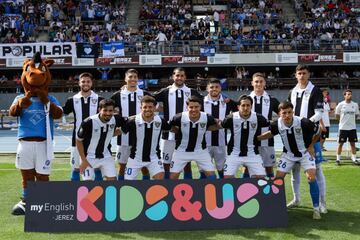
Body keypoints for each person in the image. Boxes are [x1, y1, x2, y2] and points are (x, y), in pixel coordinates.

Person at [258, 101, 322, 219]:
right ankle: (277, 207)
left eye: (289, 112)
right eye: (284, 113)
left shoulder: (303, 122)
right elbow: (271, 133)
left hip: (304, 153)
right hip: (288, 155)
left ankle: (316, 209)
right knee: (278, 179)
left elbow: (319, 130)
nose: (287, 115)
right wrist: (257, 138)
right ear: (279, 114)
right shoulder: (276, 124)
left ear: (293, 112)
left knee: (311, 177)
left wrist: (311, 146)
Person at [287, 64, 327, 214]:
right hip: (294, 137)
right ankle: (296, 199)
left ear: (308, 74)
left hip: (311, 137)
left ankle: (322, 203)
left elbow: (319, 113)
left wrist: (305, 123)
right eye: (299, 73)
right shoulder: (292, 91)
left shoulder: (315, 90)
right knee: (294, 170)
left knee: (317, 170)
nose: (302, 76)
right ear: (295, 75)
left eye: (304, 73)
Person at [154, 68, 203, 179]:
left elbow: (206, 101)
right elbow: (148, 98)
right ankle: (167, 185)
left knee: (186, 162)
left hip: (186, 133)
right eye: (177, 75)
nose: (179, 78)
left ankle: (187, 185)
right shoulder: (166, 91)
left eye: (182, 76)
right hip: (168, 133)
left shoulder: (192, 92)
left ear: (185, 77)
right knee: (166, 161)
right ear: (173, 77)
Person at [110, 69, 152, 180]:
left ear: (137, 79)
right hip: (123, 135)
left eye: (135, 77)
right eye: (130, 77)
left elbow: (153, 109)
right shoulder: (117, 95)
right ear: (125, 79)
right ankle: (121, 186)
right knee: (122, 165)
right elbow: (109, 110)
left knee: (143, 165)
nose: (132, 79)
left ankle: (146, 186)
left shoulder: (145, 94)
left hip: (141, 134)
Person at [62, 72, 104, 181]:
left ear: (91, 83)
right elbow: (62, 112)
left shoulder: (100, 100)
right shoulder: (72, 100)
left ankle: (100, 194)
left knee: (97, 168)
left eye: (88, 81)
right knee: (75, 168)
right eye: (83, 81)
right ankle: (74, 194)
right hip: (77, 139)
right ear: (79, 83)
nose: (86, 83)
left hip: (96, 139)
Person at [169, 96, 218, 180]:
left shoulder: (207, 117)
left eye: (196, 107)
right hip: (181, 151)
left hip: (200, 150)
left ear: (200, 107)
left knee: (212, 176)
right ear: (187, 107)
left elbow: (215, 126)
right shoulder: (178, 117)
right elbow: (169, 126)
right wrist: (177, 130)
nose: (194, 109)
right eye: (191, 107)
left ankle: (209, 192)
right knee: (173, 177)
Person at [122, 96, 170, 180]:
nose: (147, 109)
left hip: (154, 158)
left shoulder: (161, 121)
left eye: (150, 107)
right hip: (135, 158)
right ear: (141, 108)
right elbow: (119, 131)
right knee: (127, 183)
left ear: (155, 108)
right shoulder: (132, 121)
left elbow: (172, 129)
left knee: (161, 181)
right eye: (145, 107)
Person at [221, 95, 268, 179]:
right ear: (238, 106)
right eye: (243, 105)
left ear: (251, 106)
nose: (245, 108)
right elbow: (220, 125)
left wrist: (261, 137)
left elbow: (272, 126)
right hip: (234, 153)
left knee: (261, 178)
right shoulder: (230, 118)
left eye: (248, 105)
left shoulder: (258, 117)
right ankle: (238, 190)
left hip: (252, 153)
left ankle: (251, 191)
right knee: (227, 177)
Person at [76, 99, 124, 181]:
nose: (108, 113)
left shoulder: (116, 119)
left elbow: (131, 121)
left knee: (113, 182)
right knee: (87, 184)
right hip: (88, 157)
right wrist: (83, 160)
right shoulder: (88, 122)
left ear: (114, 111)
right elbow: (78, 140)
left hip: (106, 155)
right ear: (99, 110)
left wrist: (120, 131)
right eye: (105, 110)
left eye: (110, 111)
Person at [202, 79, 237, 178]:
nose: (214, 89)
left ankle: (223, 191)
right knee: (205, 171)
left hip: (221, 142)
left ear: (220, 88)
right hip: (204, 143)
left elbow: (240, 110)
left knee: (222, 170)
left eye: (217, 87)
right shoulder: (201, 102)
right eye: (211, 87)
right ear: (207, 88)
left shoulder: (228, 102)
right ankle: (205, 191)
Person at [248, 72, 280, 178]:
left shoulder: (272, 100)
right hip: (249, 139)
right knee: (247, 166)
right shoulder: (246, 99)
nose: (258, 84)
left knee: (269, 167)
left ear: (264, 83)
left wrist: (275, 126)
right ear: (252, 83)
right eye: (256, 81)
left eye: (261, 81)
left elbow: (283, 115)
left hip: (267, 138)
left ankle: (270, 192)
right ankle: (247, 192)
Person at [335, 89, 359, 165]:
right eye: (347, 94)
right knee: (340, 144)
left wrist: (351, 122)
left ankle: (354, 159)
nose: (349, 95)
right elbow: (337, 115)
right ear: (344, 95)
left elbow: (356, 115)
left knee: (353, 144)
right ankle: (338, 159)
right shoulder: (340, 104)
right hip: (343, 128)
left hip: (352, 128)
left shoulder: (355, 105)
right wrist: (342, 121)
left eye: (350, 94)